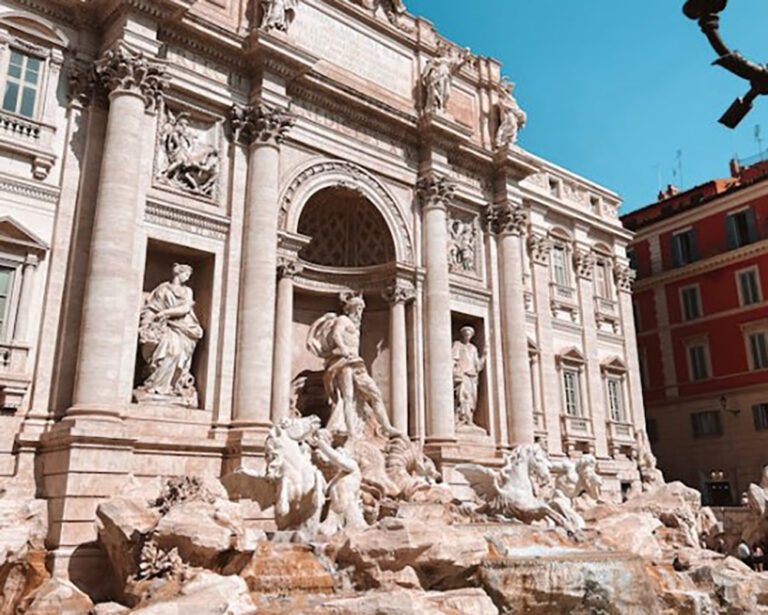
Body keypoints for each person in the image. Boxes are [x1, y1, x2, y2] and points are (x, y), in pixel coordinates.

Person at [307, 293, 399, 438]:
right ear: (349, 309)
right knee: (348, 396)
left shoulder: (356, 325)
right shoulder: (343, 319)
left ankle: (386, 426)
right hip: (344, 362)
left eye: (361, 309)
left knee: (375, 393)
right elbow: (336, 334)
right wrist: (343, 348)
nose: (359, 313)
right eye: (357, 309)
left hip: (357, 363)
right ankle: (352, 432)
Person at [135, 263, 204, 407]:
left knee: (178, 354)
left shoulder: (188, 291)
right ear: (178, 274)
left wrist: (166, 313)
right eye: (186, 275)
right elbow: (152, 307)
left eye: (189, 276)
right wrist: (146, 325)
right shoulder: (163, 289)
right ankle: (156, 386)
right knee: (169, 352)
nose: (187, 278)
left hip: (183, 327)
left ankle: (172, 386)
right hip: (165, 327)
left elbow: (185, 308)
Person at [452, 326, 487, 427]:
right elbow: (453, 360)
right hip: (463, 375)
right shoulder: (457, 345)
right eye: (466, 334)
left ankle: (469, 418)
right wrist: (455, 372)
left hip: (472, 377)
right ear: (462, 334)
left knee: (472, 399)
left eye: (469, 334)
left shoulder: (473, 348)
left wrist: (484, 355)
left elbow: (478, 366)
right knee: (463, 397)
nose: (468, 336)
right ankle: (462, 418)